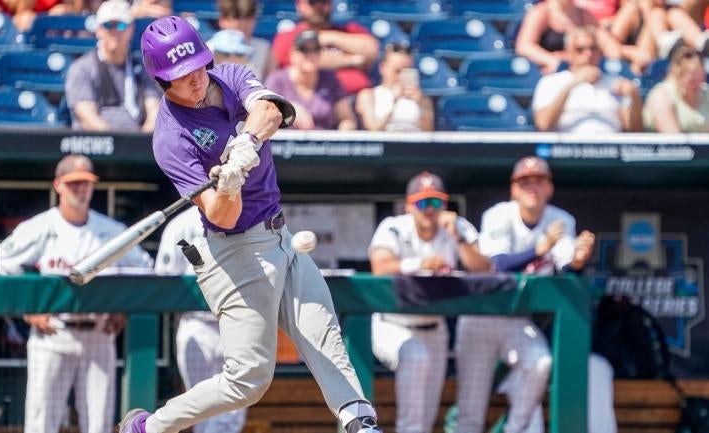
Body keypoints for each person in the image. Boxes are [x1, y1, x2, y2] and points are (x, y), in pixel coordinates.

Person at [118, 15, 383, 433]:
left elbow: (270, 110)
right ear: (162, 80)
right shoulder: (170, 137)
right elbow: (220, 215)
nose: (195, 79)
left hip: (280, 234)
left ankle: (358, 420)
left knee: (323, 331)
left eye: (197, 67)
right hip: (235, 252)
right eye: (182, 75)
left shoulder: (229, 75)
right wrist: (230, 183)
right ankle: (150, 427)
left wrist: (246, 143)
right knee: (248, 381)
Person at [0, 154, 154, 433]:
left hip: (99, 334)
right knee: (42, 423)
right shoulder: (39, 227)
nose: (80, 189)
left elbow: (145, 269)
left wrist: (123, 309)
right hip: (53, 334)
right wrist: (29, 310)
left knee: (99, 423)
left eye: (86, 183)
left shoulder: (111, 231)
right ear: (58, 185)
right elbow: (0, 264)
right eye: (73, 183)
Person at [469, 156, 615, 433]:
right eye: (525, 182)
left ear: (550, 187)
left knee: (540, 363)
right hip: (486, 319)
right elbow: (496, 265)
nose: (532, 187)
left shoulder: (561, 220)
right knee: (470, 411)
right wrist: (539, 248)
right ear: (514, 189)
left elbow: (566, 265)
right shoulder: (498, 216)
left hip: (522, 324)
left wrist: (579, 260)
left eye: (539, 181)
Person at [368, 172, 491, 433]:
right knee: (416, 359)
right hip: (393, 324)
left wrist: (458, 237)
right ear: (409, 206)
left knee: (427, 417)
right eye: (423, 202)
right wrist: (419, 264)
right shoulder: (394, 226)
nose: (430, 209)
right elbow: (380, 266)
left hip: (435, 328)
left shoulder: (457, 227)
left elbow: (484, 268)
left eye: (436, 202)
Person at [154, 207, 247, 433]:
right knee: (202, 410)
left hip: (238, 323)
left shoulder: (249, 215)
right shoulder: (180, 225)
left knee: (233, 411)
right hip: (197, 325)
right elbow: (163, 281)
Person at [65, 0, 160, 132]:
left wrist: (143, 140)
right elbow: (87, 117)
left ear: (131, 29)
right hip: (96, 142)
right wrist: (118, 143)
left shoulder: (143, 68)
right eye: (108, 25)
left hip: (138, 139)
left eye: (121, 25)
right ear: (98, 30)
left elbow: (154, 110)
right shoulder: (82, 68)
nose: (115, 31)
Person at [532, 26, 642, 133]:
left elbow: (633, 129)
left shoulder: (617, 83)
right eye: (580, 49)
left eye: (593, 48)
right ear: (568, 53)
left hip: (609, 143)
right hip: (569, 144)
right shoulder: (551, 82)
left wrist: (633, 95)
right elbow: (543, 124)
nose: (588, 54)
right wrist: (572, 85)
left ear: (600, 52)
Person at [272, 0, 379, 95]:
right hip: (315, 102)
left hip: (355, 98)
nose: (319, 6)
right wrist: (353, 60)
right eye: (312, 2)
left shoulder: (350, 29)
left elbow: (371, 50)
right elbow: (310, 61)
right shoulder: (288, 36)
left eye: (324, 1)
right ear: (299, 5)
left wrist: (330, 37)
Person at [266, 30, 357, 130]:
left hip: (324, 138)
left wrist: (343, 133)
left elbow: (347, 119)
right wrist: (287, 108)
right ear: (293, 54)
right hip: (285, 139)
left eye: (316, 49)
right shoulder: (277, 80)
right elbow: (264, 112)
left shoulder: (330, 80)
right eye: (304, 50)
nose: (311, 55)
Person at [515, 0, 623, 74]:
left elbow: (609, 46)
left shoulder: (584, 15)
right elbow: (524, 46)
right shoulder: (541, 12)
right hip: (551, 75)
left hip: (581, 72)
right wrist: (552, 60)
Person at [355, 41, 434, 132]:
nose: (401, 76)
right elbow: (373, 128)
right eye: (397, 71)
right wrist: (393, 101)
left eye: (406, 70)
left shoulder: (422, 99)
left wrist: (421, 105)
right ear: (382, 68)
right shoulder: (368, 95)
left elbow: (429, 131)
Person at [643, 44, 709, 132]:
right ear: (677, 75)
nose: (696, 84)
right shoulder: (661, 95)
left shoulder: (706, 93)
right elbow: (672, 137)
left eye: (700, 78)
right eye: (691, 80)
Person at [216, 0, 275, 81]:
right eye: (237, 17)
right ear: (222, 21)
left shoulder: (264, 48)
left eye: (248, 17)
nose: (243, 24)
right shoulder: (209, 48)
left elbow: (273, 83)